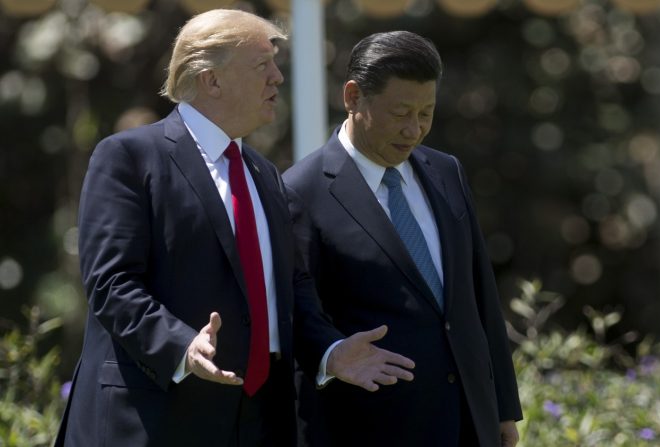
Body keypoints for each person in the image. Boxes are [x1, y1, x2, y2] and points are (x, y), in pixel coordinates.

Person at [55, 10, 415, 447]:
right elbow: (112, 283)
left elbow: (291, 286)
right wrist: (181, 347)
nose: (278, 78)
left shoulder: (264, 174)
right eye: (263, 64)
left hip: (257, 425)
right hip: (151, 420)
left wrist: (330, 350)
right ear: (212, 80)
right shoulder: (129, 157)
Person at [283, 31, 522, 447]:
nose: (414, 130)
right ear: (354, 97)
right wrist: (333, 354)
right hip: (372, 426)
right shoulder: (301, 191)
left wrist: (501, 408)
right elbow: (299, 313)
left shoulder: (447, 171)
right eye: (400, 113)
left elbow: (478, 295)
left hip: (470, 421)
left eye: (426, 113)